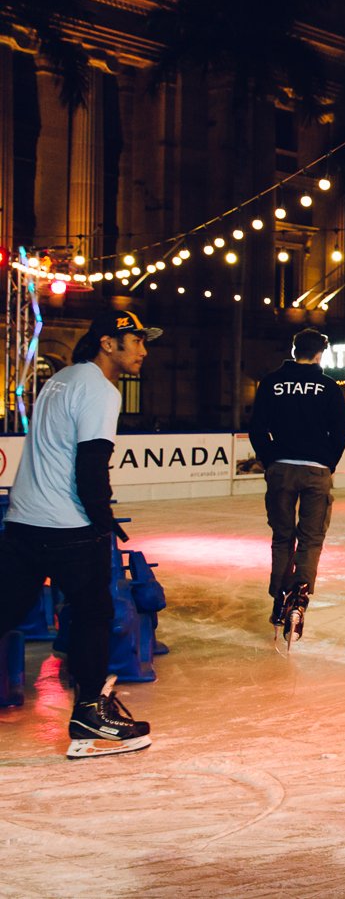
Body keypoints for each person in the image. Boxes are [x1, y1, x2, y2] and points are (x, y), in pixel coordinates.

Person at [0, 310, 158, 758]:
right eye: (136, 341)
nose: (143, 350)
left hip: (24, 519)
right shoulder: (100, 390)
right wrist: (100, 519)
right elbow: (91, 463)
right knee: (94, 614)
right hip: (67, 525)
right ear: (109, 344)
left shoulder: (61, 379)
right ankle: (89, 716)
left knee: (5, 610)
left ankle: (90, 710)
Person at [249, 328, 345, 645]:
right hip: (316, 470)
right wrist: (327, 463)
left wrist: (271, 461)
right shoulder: (329, 387)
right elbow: (341, 431)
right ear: (320, 354)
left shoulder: (271, 383)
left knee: (283, 537)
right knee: (311, 537)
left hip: (281, 468)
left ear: (294, 351)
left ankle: (279, 599)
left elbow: (256, 429)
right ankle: (300, 596)